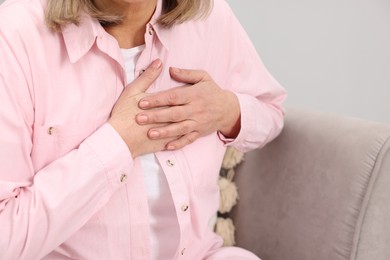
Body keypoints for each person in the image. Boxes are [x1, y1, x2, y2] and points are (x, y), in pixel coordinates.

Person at [0, 0, 286, 259]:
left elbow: (270, 112)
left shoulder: (209, 16)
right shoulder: (14, 37)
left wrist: (226, 110)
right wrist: (118, 143)